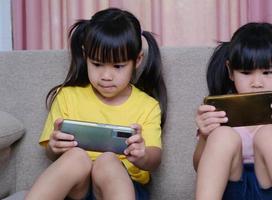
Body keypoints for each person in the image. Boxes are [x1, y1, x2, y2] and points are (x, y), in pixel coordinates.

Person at [26, 8, 167, 200]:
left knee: (108, 160)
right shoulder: (67, 96)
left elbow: (155, 159)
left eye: (118, 66)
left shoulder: (147, 105)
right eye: (97, 64)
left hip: (125, 187)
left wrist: (142, 155)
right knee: (76, 157)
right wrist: (54, 146)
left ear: (137, 60)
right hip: (78, 190)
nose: (106, 76)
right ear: (86, 57)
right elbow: (52, 154)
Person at [193, 22, 272, 200]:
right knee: (223, 135)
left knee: (270, 134)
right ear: (230, 71)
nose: (257, 83)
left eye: (267, 72)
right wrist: (206, 136)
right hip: (233, 192)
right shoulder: (219, 114)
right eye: (246, 73)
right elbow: (199, 167)